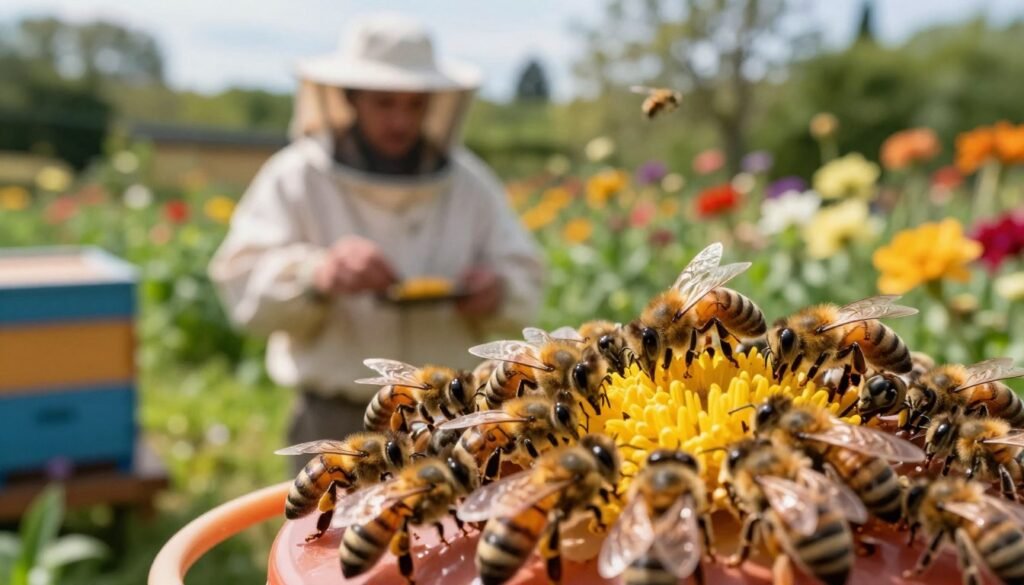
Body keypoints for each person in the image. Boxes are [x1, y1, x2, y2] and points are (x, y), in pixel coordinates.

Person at [209, 14, 544, 471]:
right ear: (351, 99)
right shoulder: (295, 177)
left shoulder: (470, 185)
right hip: (336, 421)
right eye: (385, 103)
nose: (400, 120)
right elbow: (242, 285)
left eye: (414, 105)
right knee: (328, 541)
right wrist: (316, 274)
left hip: (449, 418)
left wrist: (497, 289)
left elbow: (525, 274)